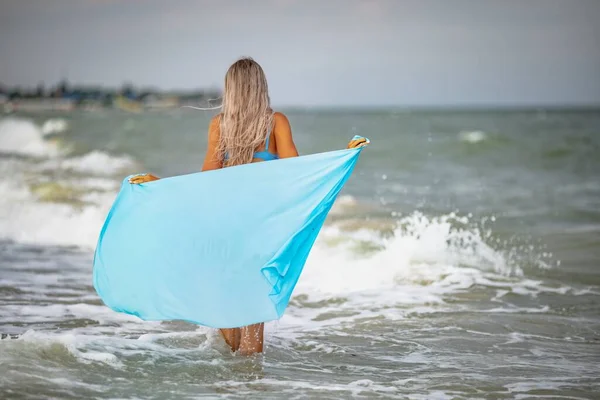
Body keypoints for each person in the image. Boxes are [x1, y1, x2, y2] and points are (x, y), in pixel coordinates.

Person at [129, 57, 368, 355]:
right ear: (260, 88)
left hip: (224, 226)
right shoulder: (276, 122)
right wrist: (339, 160)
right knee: (253, 307)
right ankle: (250, 385)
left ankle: (229, 382)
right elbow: (298, 173)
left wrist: (159, 185)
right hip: (260, 229)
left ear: (230, 90)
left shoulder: (219, 126)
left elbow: (206, 181)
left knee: (227, 303)